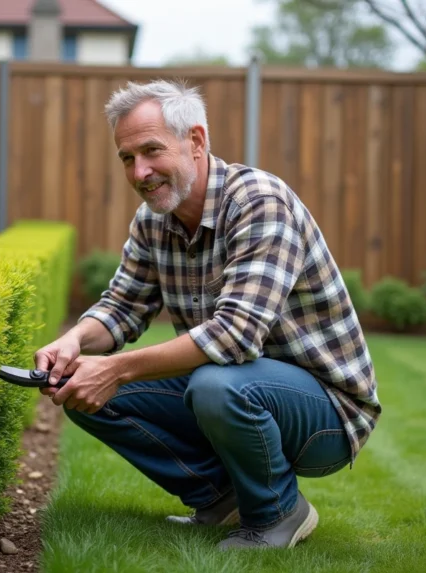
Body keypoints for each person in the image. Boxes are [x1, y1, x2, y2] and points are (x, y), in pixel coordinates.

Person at [33, 79, 381, 551]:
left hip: (326, 411)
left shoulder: (260, 203)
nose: (140, 172)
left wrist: (114, 369)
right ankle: (220, 499)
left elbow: (233, 338)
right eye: (127, 158)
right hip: (239, 387)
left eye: (152, 151)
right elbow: (122, 306)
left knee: (213, 384)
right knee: (79, 387)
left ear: (195, 141)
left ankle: (278, 512)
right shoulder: (153, 221)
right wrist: (73, 343)